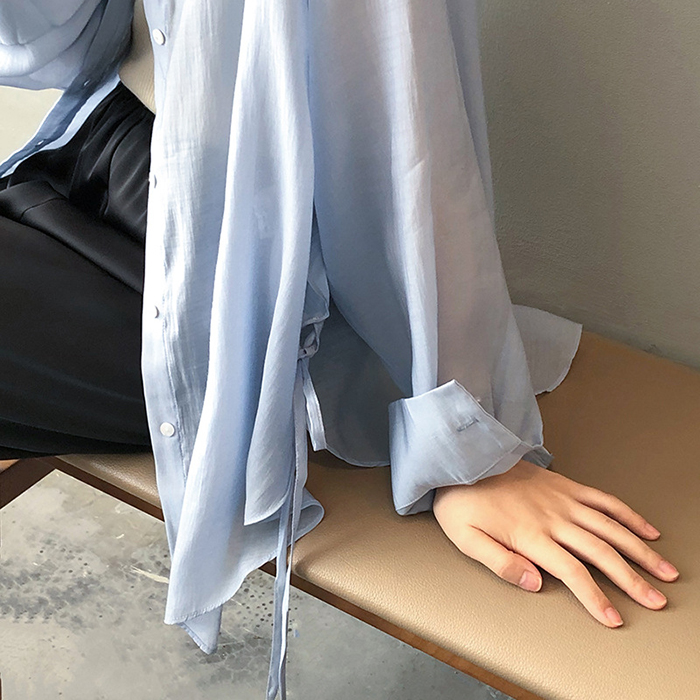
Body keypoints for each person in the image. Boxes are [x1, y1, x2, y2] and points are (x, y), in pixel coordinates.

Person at [0, 1, 679, 698]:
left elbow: (404, 125)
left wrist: (467, 447)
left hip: (252, 254)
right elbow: (56, 41)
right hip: (102, 148)